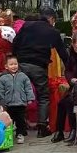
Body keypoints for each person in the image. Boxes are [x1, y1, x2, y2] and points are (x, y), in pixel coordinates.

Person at [12, 8, 69, 137]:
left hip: (21, 64)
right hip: (38, 66)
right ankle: (42, 127)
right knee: (43, 95)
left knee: (20, 95)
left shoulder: (26, 26)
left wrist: (15, 60)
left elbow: (15, 43)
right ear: (52, 19)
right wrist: (71, 67)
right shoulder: (52, 31)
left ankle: (21, 128)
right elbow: (63, 53)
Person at [0, 54, 34, 144]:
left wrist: (29, 98)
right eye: (11, 64)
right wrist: (1, 102)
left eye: (15, 64)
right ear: (6, 66)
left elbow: (28, 87)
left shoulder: (23, 76)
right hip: (8, 104)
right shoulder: (2, 78)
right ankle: (8, 134)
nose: (14, 66)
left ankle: (20, 134)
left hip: (20, 103)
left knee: (20, 120)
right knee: (9, 120)